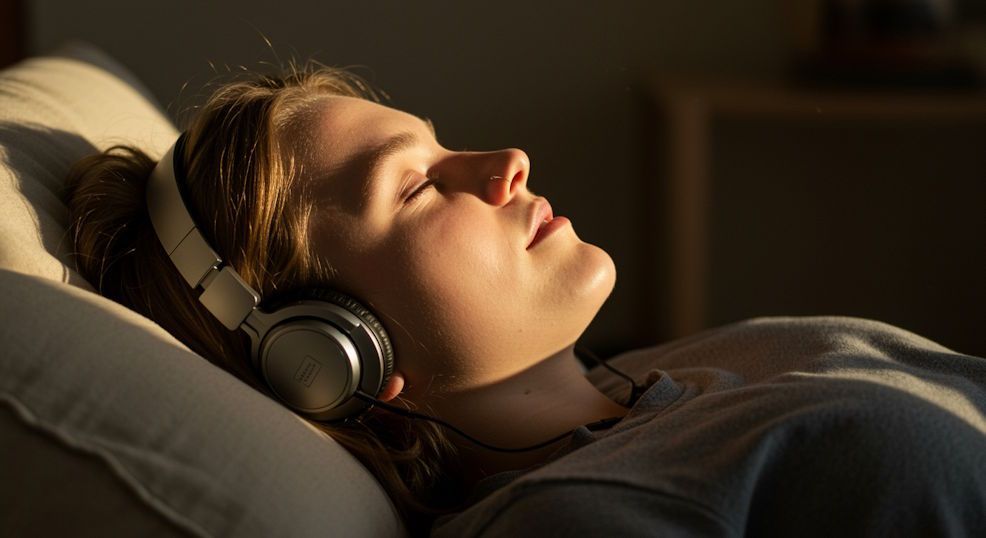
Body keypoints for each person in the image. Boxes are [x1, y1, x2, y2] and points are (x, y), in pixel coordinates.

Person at [63, 60, 986, 537]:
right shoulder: (581, 520)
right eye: (416, 186)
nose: (507, 164)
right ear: (331, 351)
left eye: (442, 144)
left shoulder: (690, 368)